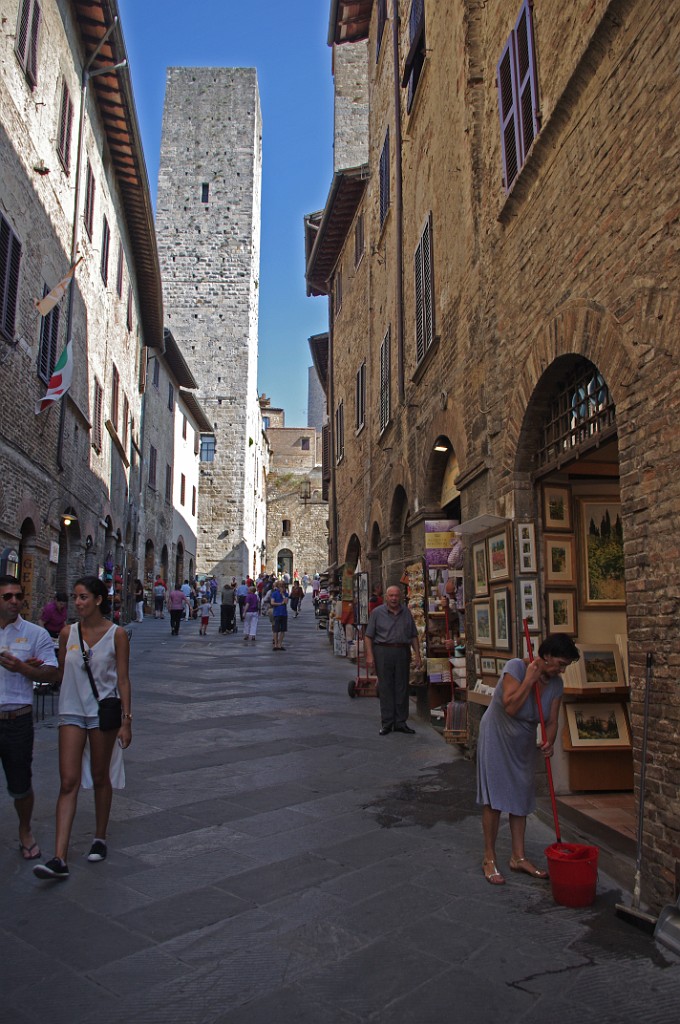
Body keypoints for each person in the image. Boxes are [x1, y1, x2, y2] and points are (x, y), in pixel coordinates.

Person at [33, 577, 132, 881]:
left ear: (99, 600)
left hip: (103, 713)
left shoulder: (117, 635)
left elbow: (123, 680)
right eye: (75, 597)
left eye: (83, 597)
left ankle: (99, 837)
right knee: (68, 781)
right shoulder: (66, 634)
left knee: (101, 777)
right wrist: (33, 669)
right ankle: (59, 857)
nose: (77, 603)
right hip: (71, 711)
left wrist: (127, 720)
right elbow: (62, 673)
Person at [477, 634, 580, 885]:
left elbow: (552, 721)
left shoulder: (556, 685)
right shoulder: (517, 667)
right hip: (497, 734)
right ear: (545, 657)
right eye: (559, 663)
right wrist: (529, 681)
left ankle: (518, 856)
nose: (561, 669)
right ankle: (489, 857)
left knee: (521, 794)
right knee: (495, 796)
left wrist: (550, 742)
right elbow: (510, 706)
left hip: (522, 740)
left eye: (566, 665)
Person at [0, 576, 59, 861]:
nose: (14, 601)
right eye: (7, 596)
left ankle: (25, 830)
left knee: (21, 783)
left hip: (17, 719)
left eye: (17, 596)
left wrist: (24, 669)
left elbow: (52, 673)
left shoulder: (36, 634)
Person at [364, 585, 422, 736]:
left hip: (402, 651)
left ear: (400, 597)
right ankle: (387, 722)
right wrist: (370, 656)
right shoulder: (377, 613)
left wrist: (418, 655)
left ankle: (401, 722)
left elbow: (413, 635)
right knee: (386, 687)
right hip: (383, 651)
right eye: (391, 596)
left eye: (396, 596)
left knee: (402, 686)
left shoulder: (407, 613)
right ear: (386, 597)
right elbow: (368, 636)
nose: (394, 598)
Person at [270, 580, 288, 650]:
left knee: (283, 630)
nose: (282, 587)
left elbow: (286, 602)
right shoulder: (274, 593)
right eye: (280, 586)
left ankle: (280, 644)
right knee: (276, 630)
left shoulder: (286, 594)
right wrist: (280, 603)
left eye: (282, 586)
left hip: (284, 613)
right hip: (276, 613)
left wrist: (282, 594)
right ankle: (276, 644)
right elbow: (272, 602)